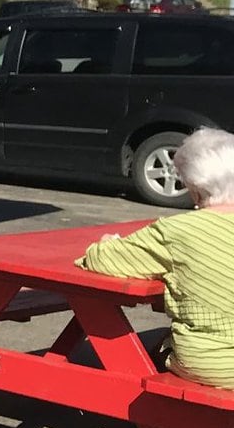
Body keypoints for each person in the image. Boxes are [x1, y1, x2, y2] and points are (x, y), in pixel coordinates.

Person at [78, 128, 234, 388]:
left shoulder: (177, 231)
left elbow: (102, 259)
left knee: (157, 350)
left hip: (217, 364)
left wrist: (107, 243)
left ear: (195, 188)